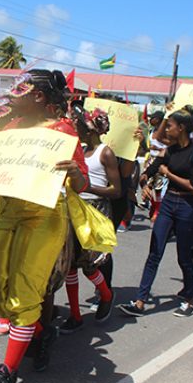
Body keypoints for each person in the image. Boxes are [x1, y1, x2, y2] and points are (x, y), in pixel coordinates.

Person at [0, 70, 89, 383]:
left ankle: (7, 372)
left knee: (25, 296)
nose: (12, 94)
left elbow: (81, 185)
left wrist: (75, 172)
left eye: (20, 89)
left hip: (44, 217)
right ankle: (41, 332)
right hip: (9, 213)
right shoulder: (10, 130)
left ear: (39, 97)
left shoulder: (63, 131)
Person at [119, 106, 193, 318]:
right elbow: (149, 171)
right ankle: (140, 302)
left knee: (184, 256)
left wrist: (167, 173)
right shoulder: (169, 150)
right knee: (154, 252)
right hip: (168, 204)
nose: (166, 129)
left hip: (188, 206)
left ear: (182, 128)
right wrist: (146, 183)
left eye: (170, 126)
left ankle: (188, 299)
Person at [60, 106, 120, 332]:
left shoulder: (105, 153)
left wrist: (86, 186)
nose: (76, 127)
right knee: (69, 266)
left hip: (95, 211)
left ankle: (106, 294)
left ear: (90, 128)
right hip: (75, 208)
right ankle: (75, 315)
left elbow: (116, 190)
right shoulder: (81, 150)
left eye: (79, 124)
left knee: (89, 264)